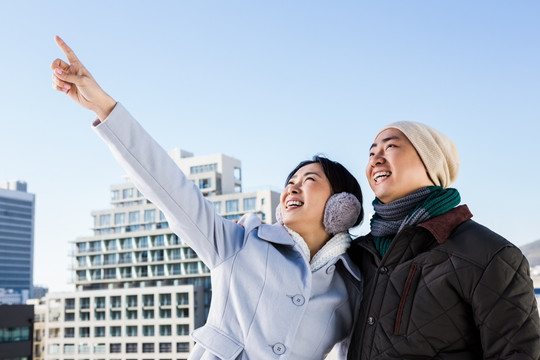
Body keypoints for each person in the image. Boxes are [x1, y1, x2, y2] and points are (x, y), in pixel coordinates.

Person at [51, 36, 365, 360]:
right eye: (290, 182)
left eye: (309, 180)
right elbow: (167, 185)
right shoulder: (241, 243)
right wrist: (103, 106)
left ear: (341, 207)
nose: (291, 188)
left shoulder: (351, 287)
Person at [347, 121, 540, 359]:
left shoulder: (489, 254)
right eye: (372, 152)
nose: (376, 159)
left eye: (391, 147)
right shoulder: (358, 254)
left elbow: (519, 353)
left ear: (430, 163)